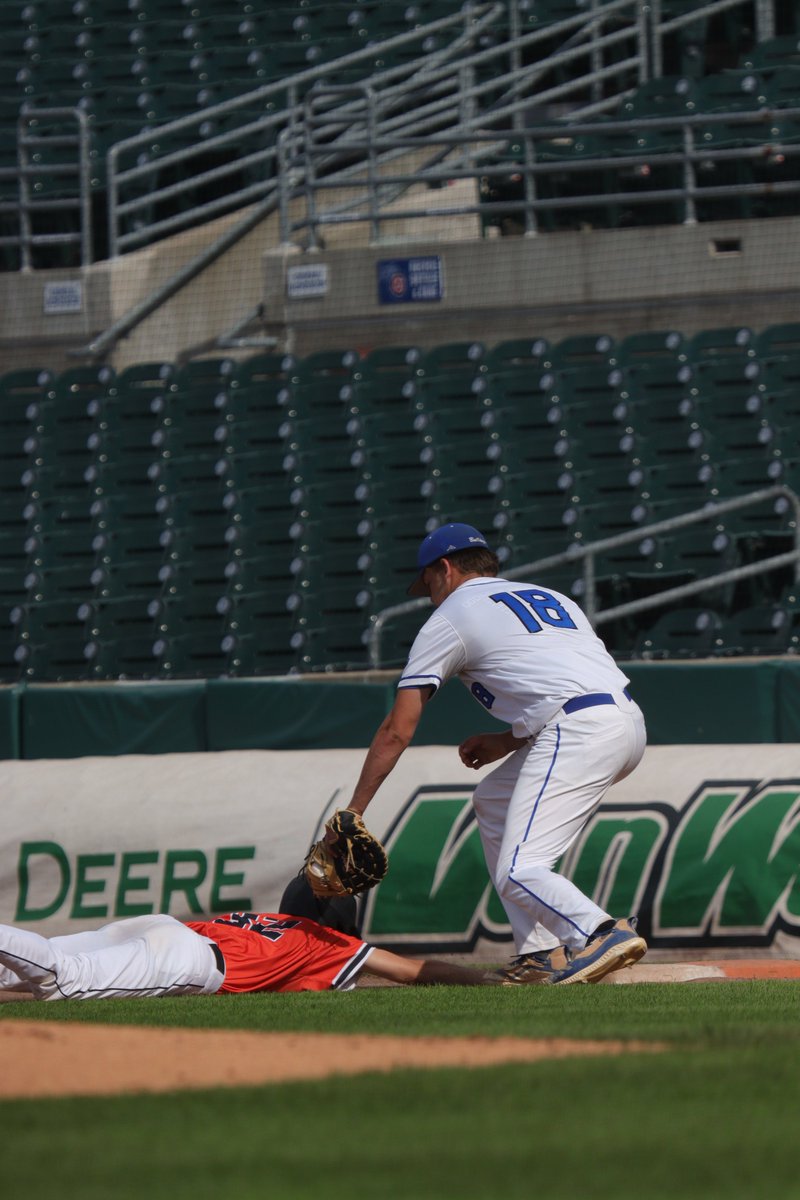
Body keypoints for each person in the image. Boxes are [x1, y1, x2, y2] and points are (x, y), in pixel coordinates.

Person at [344, 521, 649, 986]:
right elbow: (563, 683)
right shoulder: (552, 597)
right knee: (493, 800)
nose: (429, 595)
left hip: (580, 731)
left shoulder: (449, 617)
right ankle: (540, 952)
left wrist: (354, 812)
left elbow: (397, 730)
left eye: (427, 582)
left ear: (443, 569)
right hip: (625, 723)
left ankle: (600, 931)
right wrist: (508, 741)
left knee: (518, 869)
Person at [0, 876, 490, 1001]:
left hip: (162, 927)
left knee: (19, 971)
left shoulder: (259, 919)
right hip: (187, 957)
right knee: (62, 981)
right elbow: (414, 971)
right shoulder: (325, 942)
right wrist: (491, 981)